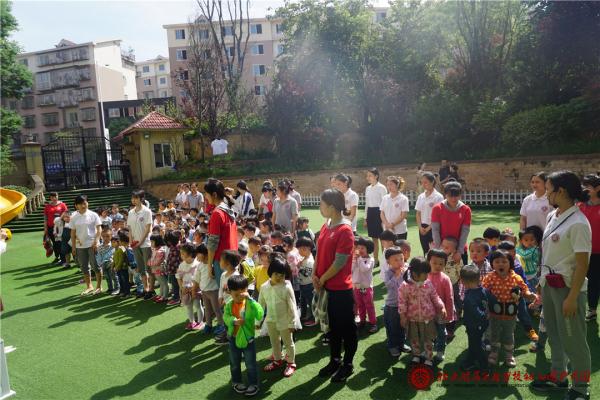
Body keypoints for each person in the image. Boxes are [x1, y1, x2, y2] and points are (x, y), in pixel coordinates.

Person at [530, 171, 592, 400]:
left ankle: (581, 388)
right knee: (554, 334)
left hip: (568, 289)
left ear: (561, 191)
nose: (546, 194)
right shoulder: (553, 215)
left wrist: (572, 297)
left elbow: (582, 264)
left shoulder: (579, 223)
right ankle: (558, 376)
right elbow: (549, 253)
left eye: (548, 189)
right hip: (549, 284)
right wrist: (541, 281)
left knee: (573, 339)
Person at [313, 189, 357, 383]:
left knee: (346, 329)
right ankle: (335, 360)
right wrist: (315, 274)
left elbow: (339, 262)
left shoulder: (345, 230)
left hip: (340, 290)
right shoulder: (327, 225)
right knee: (332, 329)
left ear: (331, 207)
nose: (320, 207)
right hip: (325, 286)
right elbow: (319, 252)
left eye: (322, 204)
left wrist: (322, 279)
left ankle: (348, 364)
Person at [482, 250, 536, 368]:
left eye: (504, 261)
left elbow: (524, 289)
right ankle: (494, 353)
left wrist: (529, 295)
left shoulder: (516, 278)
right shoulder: (489, 277)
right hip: (494, 313)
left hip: (510, 314)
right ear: (492, 264)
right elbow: (483, 290)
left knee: (509, 334)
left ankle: (509, 355)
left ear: (510, 263)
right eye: (497, 262)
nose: (500, 264)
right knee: (494, 334)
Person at [399, 257, 446, 367]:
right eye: (425, 273)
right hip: (412, 319)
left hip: (427, 318)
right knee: (414, 339)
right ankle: (416, 355)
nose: (427, 276)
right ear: (415, 273)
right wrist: (402, 316)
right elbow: (402, 302)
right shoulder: (405, 286)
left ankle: (429, 358)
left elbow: (435, 297)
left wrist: (442, 307)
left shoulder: (428, 284)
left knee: (428, 340)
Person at [259, 254, 300, 378]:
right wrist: (257, 321)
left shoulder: (286, 287)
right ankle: (277, 360)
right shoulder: (264, 287)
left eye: (282, 275)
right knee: (274, 342)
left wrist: (292, 323)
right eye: (276, 274)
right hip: (271, 320)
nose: (279, 277)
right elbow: (260, 305)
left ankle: (291, 363)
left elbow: (292, 306)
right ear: (270, 272)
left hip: (285, 321)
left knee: (288, 342)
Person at [224, 274, 263, 397]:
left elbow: (260, 314)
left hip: (248, 339)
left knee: (250, 364)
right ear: (230, 292)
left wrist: (251, 299)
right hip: (233, 338)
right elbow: (225, 317)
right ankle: (236, 382)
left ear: (247, 290)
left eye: (243, 293)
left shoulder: (250, 303)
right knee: (234, 363)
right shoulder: (229, 305)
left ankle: (253, 384)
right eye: (236, 295)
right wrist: (233, 321)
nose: (240, 297)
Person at [204, 178, 238, 284]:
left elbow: (213, 242)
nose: (205, 196)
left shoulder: (217, 213)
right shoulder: (228, 209)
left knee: (224, 292)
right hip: (233, 258)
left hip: (222, 260)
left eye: (206, 193)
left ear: (214, 194)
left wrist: (209, 265)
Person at [431, 181, 472, 265]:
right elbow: (435, 230)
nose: (453, 199)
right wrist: (439, 250)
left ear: (460, 195)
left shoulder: (466, 210)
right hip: (442, 249)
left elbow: (465, 231)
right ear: (445, 195)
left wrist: (459, 251)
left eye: (456, 195)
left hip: (459, 249)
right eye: (450, 196)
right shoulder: (437, 208)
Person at [459, 264, 491, 372]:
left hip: (475, 325)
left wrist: (484, 316)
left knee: (476, 345)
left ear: (463, 282)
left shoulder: (469, 297)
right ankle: (470, 360)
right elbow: (491, 300)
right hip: (481, 324)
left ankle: (484, 366)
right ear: (480, 278)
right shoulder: (483, 290)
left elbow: (476, 312)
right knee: (473, 343)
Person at [427, 249, 455, 364]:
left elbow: (450, 297)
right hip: (426, 312)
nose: (438, 266)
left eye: (441, 263)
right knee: (427, 332)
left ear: (445, 264)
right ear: (428, 261)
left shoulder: (445, 279)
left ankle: (440, 351)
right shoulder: (424, 276)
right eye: (434, 263)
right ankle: (427, 351)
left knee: (441, 332)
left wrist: (449, 314)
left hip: (440, 313)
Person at [382, 247, 410, 357]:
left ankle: (401, 343)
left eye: (401, 259)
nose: (400, 262)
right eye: (396, 260)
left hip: (405, 305)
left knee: (403, 326)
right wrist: (397, 276)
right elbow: (389, 286)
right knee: (392, 328)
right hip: (392, 306)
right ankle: (392, 345)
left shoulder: (406, 270)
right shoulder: (388, 273)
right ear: (388, 262)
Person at [579, 174, 600, 322]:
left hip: (598, 252)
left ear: (598, 188)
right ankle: (581, 307)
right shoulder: (579, 206)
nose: (584, 189)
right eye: (583, 186)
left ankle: (592, 309)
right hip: (582, 251)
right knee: (580, 279)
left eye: (588, 186)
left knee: (594, 281)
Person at [127, 190, 153, 299]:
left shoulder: (147, 211)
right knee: (141, 268)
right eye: (132, 198)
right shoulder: (130, 212)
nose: (133, 200)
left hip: (145, 243)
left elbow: (148, 228)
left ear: (141, 199)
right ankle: (145, 288)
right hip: (135, 244)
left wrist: (141, 241)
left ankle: (151, 289)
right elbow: (130, 228)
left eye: (136, 198)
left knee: (149, 268)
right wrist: (130, 241)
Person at [193, 243, 222, 334]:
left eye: (198, 253)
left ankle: (221, 324)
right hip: (204, 292)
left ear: (206, 254)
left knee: (217, 309)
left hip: (214, 291)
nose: (197, 256)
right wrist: (194, 290)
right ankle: (208, 325)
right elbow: (197, 278)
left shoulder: (214, 264)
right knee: (207, 309)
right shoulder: (200, 265)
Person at [352, 236, 377, 334]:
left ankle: (373, 323)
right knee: (360, 305)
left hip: (367, 287)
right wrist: (354, 260)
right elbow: (351, 269)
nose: (360, 250)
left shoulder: (370, 260)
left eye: (362, 248)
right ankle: (362, 321)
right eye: (358, 248)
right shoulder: (357, 259)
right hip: (357, 287)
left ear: (368, 249)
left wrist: (358, 259)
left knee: (369, 306)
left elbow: (364, 269)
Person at [415, 172, 444, 255]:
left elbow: (439, 215)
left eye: (425, 182)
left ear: (432, 182)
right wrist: (420, 227)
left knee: (435, 252)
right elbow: (418, 213)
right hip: (422, 227)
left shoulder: (438, 197)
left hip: (434, 227)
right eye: (422, 182)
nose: (423, 185)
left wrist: (428, 228)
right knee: (425, 252)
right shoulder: (421, 196)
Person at [364, 168, 387, 265]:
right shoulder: (368, 188)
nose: (368, 178)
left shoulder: (382, 188)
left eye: (370, 175)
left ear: (376, 176)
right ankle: (376, 261)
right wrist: (365, 218)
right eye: (367, 176)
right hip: (370, 213)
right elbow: (367, 204)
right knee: (374, 239)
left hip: (379, 213)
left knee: (382, 239)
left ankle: (385, 262)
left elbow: (385, 203)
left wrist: (383, 219)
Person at [177, 243, 203, 330]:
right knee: (188, 306)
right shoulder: (181, 265)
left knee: (197, 305)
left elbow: (200, 278)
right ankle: (192, 322)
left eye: (183, 254)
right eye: (181, 253)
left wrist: (194, 288)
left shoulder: (198, 264)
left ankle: (200, 322)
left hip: (195, 288)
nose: (181, 255)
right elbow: (178, 277)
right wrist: (181, 287)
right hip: (185, 289)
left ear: (190, 254)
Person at [380, 176, 409, 241]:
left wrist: (392, 224)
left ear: (397, 185)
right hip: (387, 230)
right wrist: (387, 224)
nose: (389, 187)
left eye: (391, 184)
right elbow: (382, 213)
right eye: (387, 185)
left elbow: (403, 215)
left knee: (399, 247)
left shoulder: (403, 199)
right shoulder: (385, 198)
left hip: (400, 230)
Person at [43, 192, 68, 264]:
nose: (54, 198)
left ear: (57, 196)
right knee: (54, 243)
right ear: (50, 198)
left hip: (60, 227)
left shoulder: (62, 205)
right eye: (52, 197)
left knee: (60, 243)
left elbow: (66, 215)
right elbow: (45, 218)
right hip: (50, 227)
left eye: (55, 196)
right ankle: (57, 257)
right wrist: (45, 228)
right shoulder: (47, 206)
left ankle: (63, 259)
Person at [296, 237, 316, 326]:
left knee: (311, 302)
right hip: (303, 284)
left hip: (308, 285)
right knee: (304, 301)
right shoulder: (305, 258)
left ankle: (313, 318)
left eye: (300, 249)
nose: (299, 251)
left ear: (306, 249)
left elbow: (307, 274)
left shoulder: (310, 261)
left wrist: (299, 267)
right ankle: (307, 316)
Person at [146, 234, 168, 303]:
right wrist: (150, 262)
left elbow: (157, 262)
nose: (151, 243)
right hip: (155, 269)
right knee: (161, 283)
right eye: (151, 241)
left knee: (164, 283)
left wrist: (149, 263)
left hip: (159, 269)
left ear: (157, 241)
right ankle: (161, 295)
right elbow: (152, 259)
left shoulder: (160, 251)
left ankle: (165, 297)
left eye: (152, 241)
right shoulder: (155, 249)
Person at [95, 230, 116, 295]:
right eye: (103, 236)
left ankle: (117, 288)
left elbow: (115, 254)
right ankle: (110, 288)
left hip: (112, 264)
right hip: (104, 264)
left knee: (114, 277)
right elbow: (98, 256)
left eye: (107, 236)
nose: (105, 238)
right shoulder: (100, 246)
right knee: (107, 277)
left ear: (111, 236)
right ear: (101, 237)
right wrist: (100, 263)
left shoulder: (113, 245)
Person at [165, 230, 182, 305]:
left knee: (176, 284)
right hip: (172, 270)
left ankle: (176, 298)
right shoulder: (173, 247)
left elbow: (178, 259)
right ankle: (176, 296)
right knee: (174, 284)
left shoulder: (177, 247)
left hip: (175, 270)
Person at [114, 232, 132, 297]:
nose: (118, 242)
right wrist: (114, 265)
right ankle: (122, 291)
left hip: (123, 268)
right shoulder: (119, 248)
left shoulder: (123, 249)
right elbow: (115, 258)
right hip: (119, 268)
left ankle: (127, 293)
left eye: (119, 241)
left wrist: (117, 266)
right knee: (121, 280)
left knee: (125, 280)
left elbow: (122, 259)